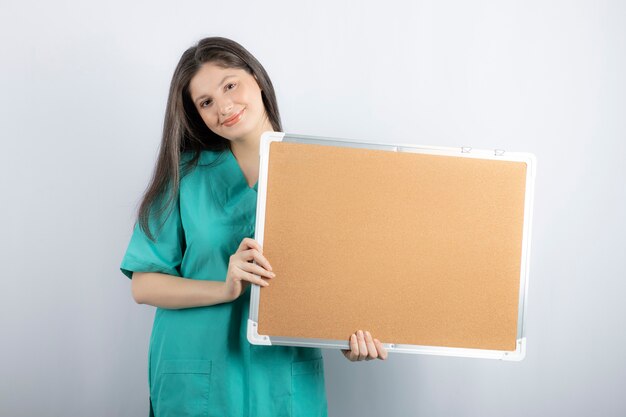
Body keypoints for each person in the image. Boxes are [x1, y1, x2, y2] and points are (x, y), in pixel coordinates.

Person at [119, 36, 388, 417]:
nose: (224, 106)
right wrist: (224, 288)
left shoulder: (322, 174)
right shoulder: (183, 176)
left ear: (257, 78)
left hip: (280, 374)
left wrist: (347, 334)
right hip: (195, 367)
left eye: (230, 85)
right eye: (206, 102)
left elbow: (341, 283)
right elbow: (143, 284)